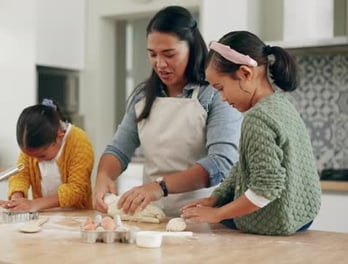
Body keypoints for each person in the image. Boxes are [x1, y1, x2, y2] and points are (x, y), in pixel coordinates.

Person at [93, 6, 242, 217]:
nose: (160, 64)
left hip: (204, 216)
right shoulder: (142, 97)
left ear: (192, 48)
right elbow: (118, 150)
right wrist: (104, 176)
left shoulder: (215, 93)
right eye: (152, 55)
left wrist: (159, 187)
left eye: (169, 54)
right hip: (152, 215)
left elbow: (222, 162)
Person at [182, 31, 322, 235]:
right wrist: (217, 198)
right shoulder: (281, 104)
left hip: (273, 219)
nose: (222, 98)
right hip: (301, 216)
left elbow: (266, 188)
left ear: (246, 74)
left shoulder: (257, 118)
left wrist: (218, 213)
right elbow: (246, 164)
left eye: (220, 88)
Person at [0, 99, 94, 212]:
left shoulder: (79, 141)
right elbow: (21, 174)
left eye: (42, 156)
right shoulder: (31, 145)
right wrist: (17, 198)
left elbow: (77, 190)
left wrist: (33, 204)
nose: (37, 161)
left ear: (59, 135)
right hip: (44, 215)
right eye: (30, 156)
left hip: (77, 216)